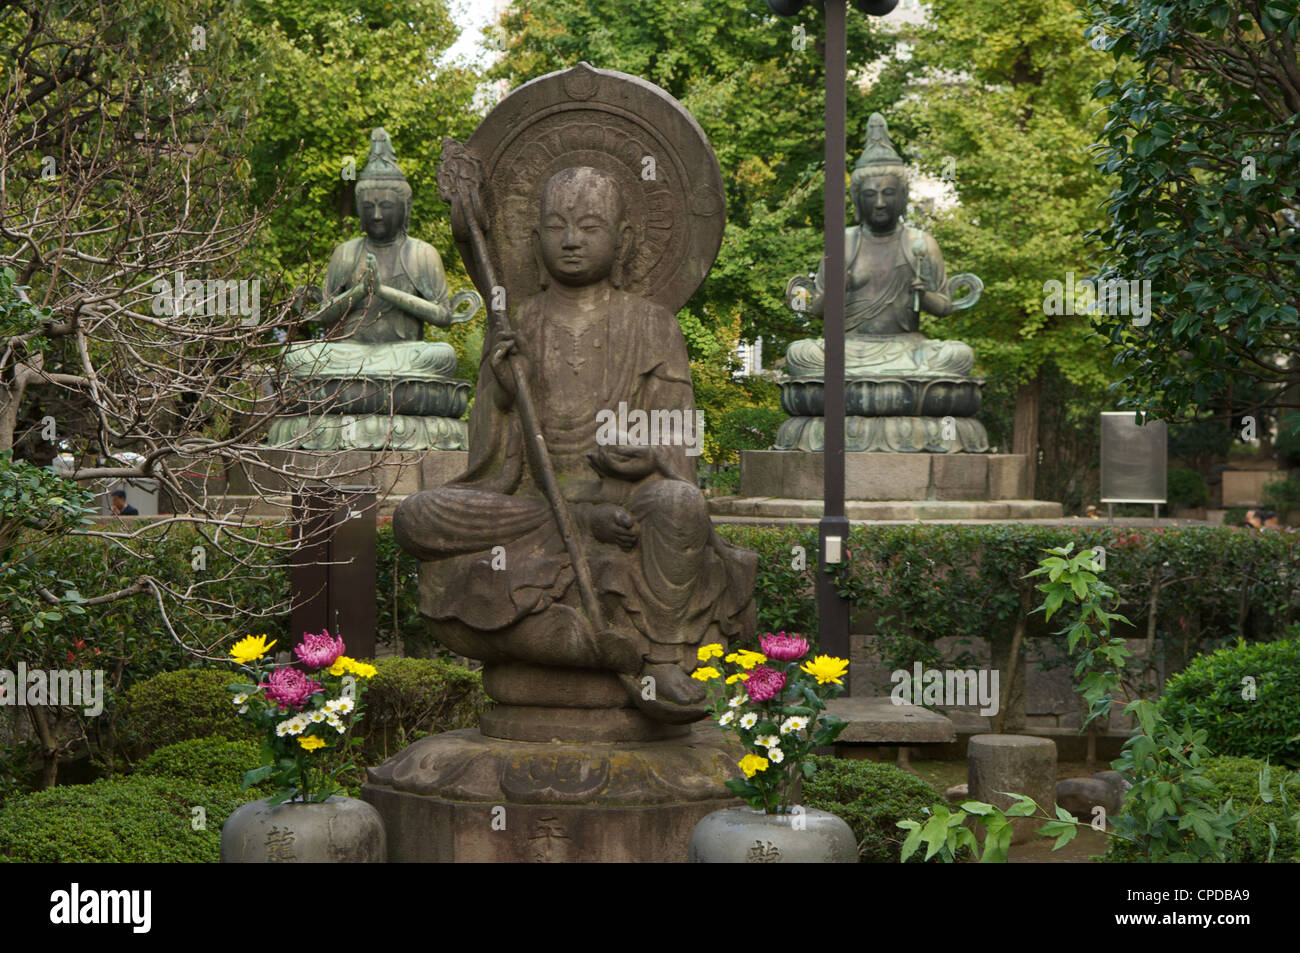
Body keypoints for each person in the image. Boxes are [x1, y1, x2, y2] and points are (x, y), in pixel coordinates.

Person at [393, 166, 756, 721]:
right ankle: (587, 568)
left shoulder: (653, 325)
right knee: (417, 516)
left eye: (589, 227)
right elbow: (494, 466)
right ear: (534, 237)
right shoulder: (516, 323)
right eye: (556, 226)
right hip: (539, 510)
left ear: (625, 238)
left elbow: (677, 450)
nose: (571, 240)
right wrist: (503, 394)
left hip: (629, 504)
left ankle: (660, 655)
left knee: (680, 505)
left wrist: (649, 459)